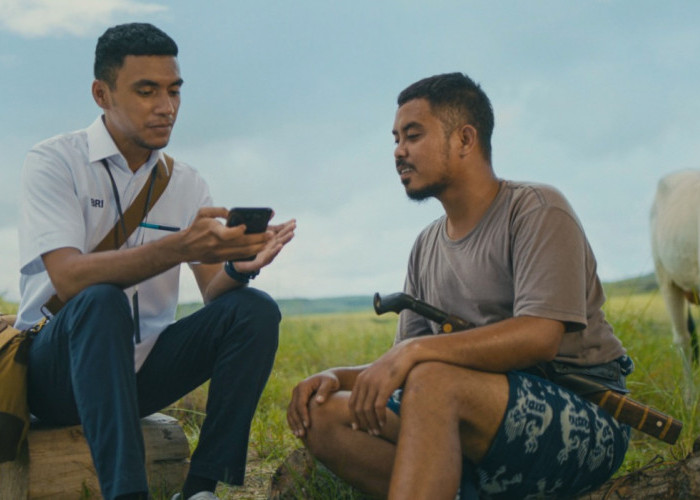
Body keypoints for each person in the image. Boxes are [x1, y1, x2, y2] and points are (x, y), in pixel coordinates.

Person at [287, 72, 632, 499]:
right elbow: (404, 367)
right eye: (396, 139)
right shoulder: (426, 245)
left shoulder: (537, 210)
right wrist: (336, 377)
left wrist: (414, 353)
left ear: (465, 139)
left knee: (434, 379)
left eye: (413, 135)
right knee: (322, 411)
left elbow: (540, 336)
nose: (398, 151)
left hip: (586, 418)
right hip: (468, 416)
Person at [15, 22, 295, 500]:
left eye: (174, 90)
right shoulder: (54, 162)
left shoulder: (186, 182)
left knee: (254, 310)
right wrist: (182, 246)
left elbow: (212, 292)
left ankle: (200, 489)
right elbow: (68, 276)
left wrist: (236, 267)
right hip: (56, 373)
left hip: (141, 371)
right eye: (147, 91)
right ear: (102, 94)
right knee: (100, 300)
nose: (166, 107)